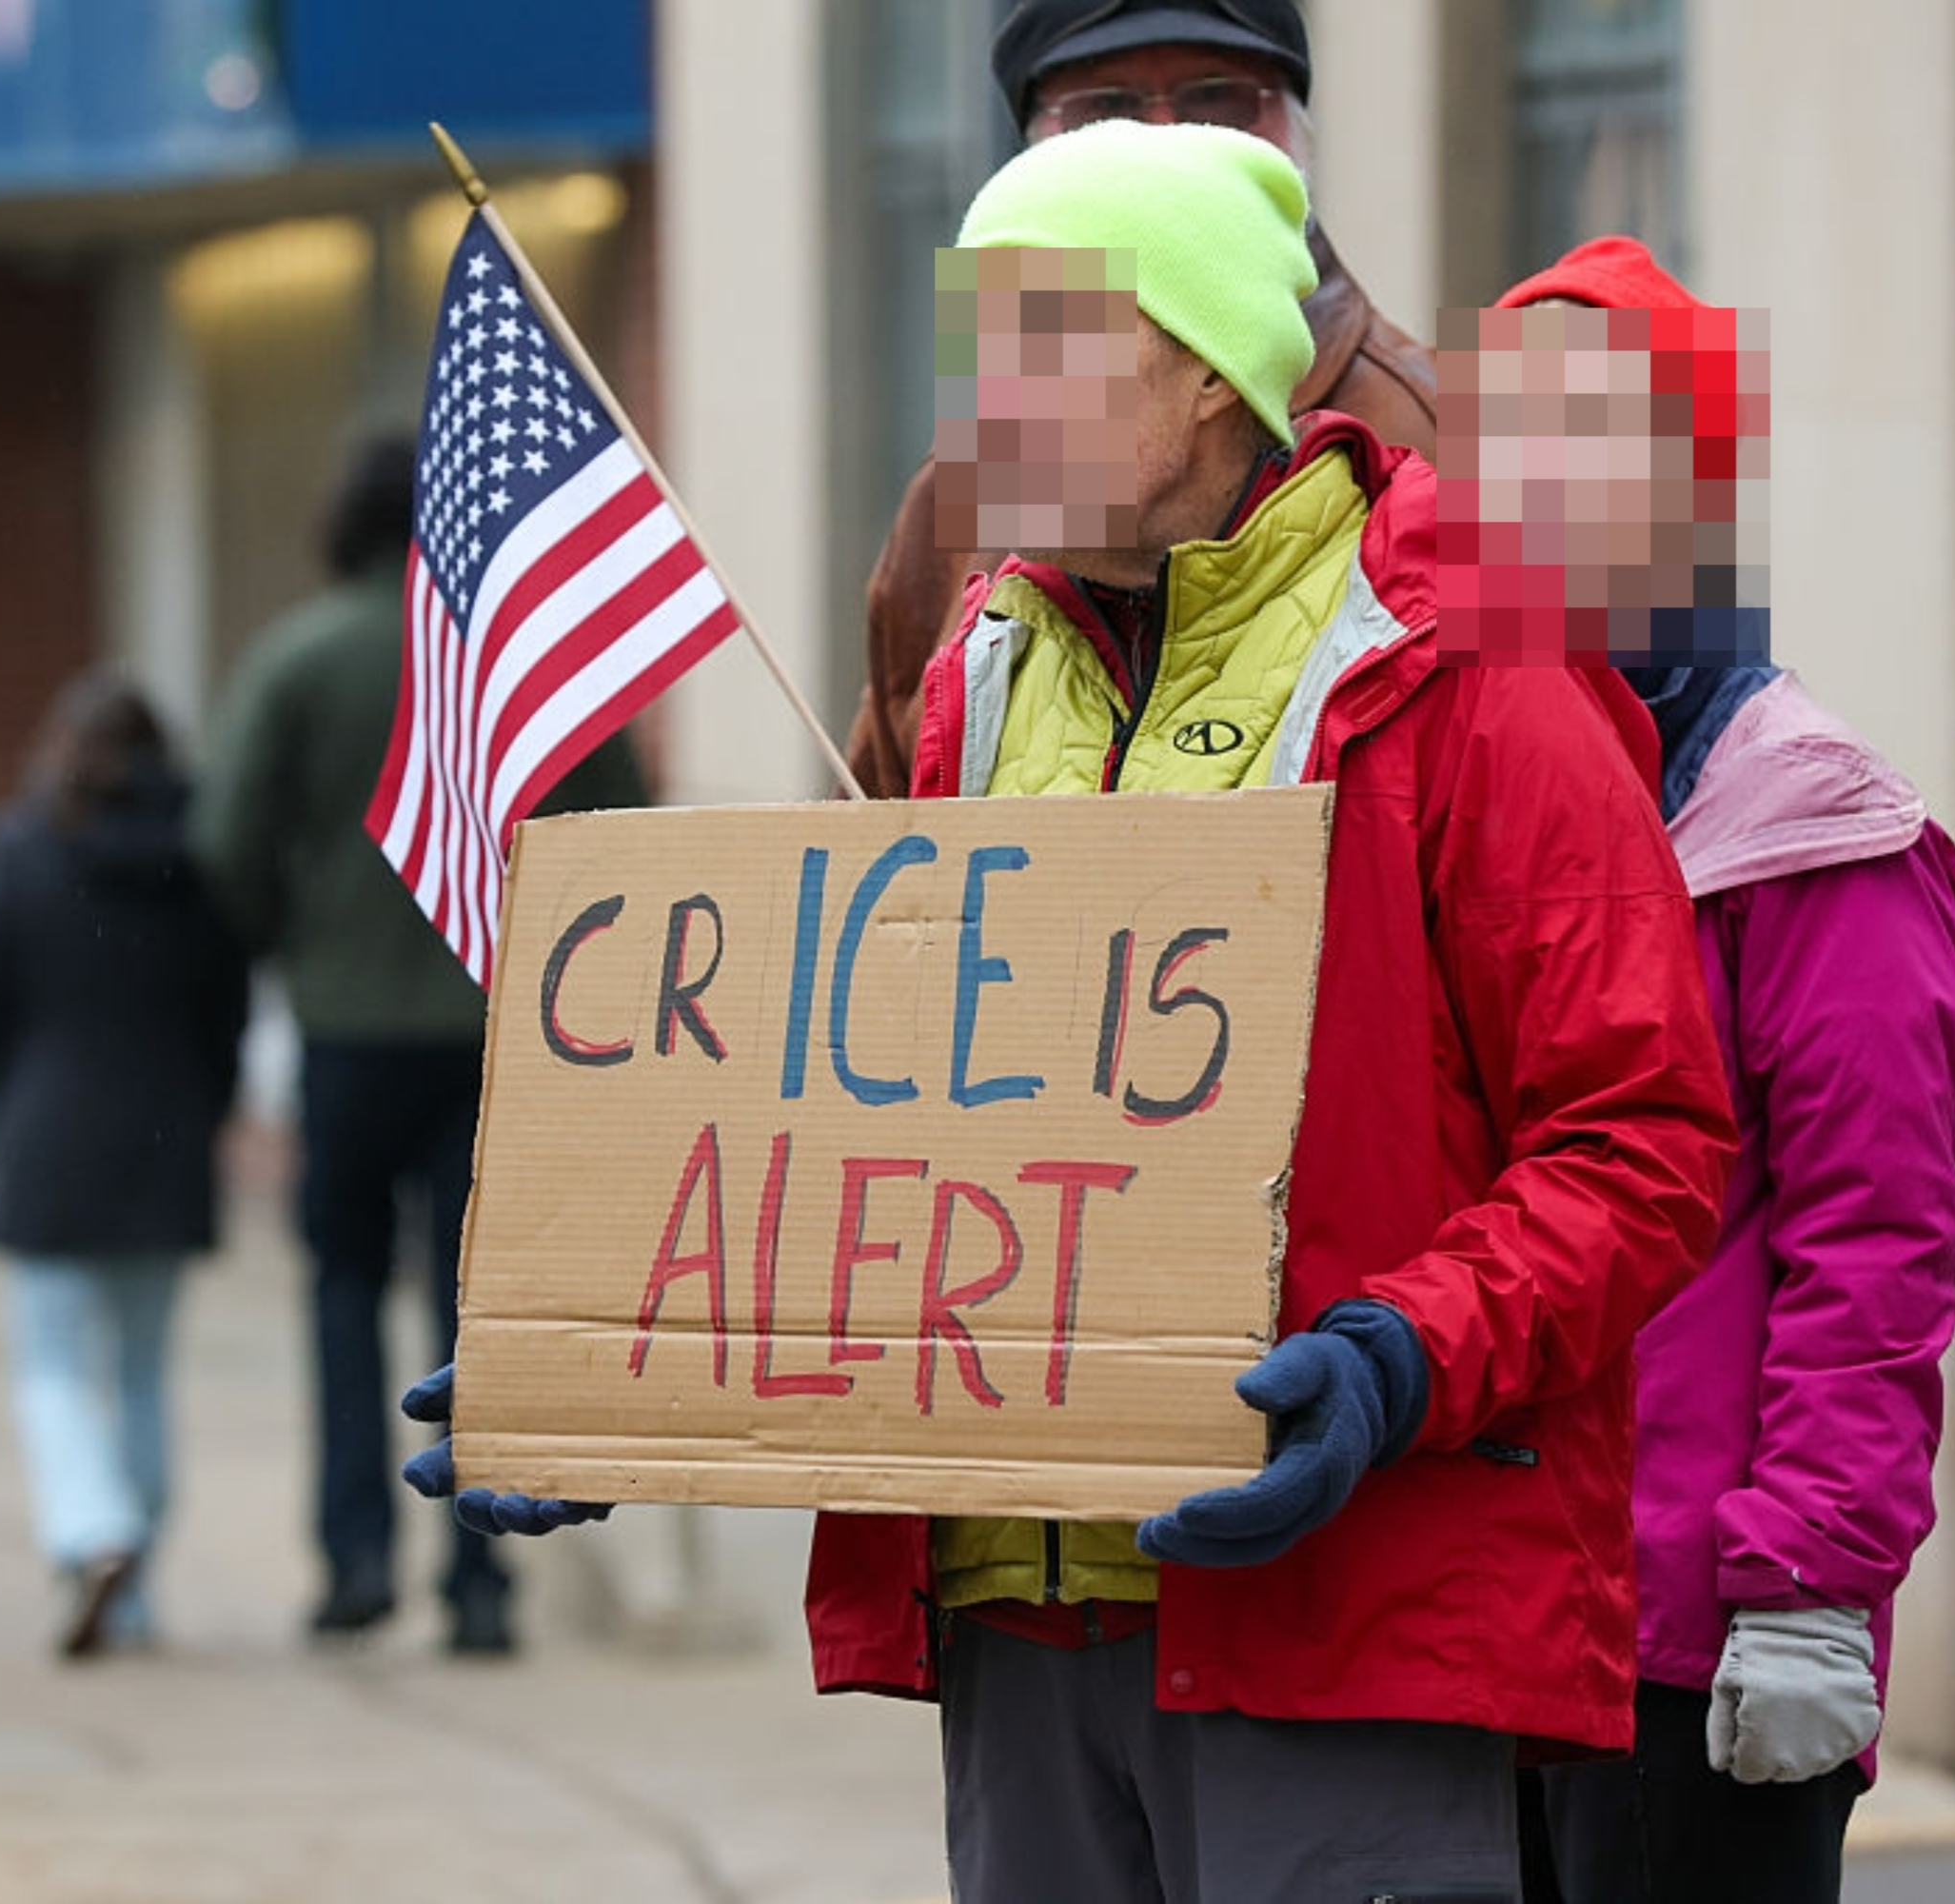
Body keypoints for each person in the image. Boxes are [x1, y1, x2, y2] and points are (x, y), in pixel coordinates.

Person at [407, 123, 1737, 1901]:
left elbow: (1643, 1139)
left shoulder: (1467, 661)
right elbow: (898, 1137)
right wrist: (619, 1364)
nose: (978, 401)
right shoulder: (980, 666)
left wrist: (1399, 1356)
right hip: (1017, 1633)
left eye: (1036, 335)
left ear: (1202, 370)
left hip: (1339, 1614)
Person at [1487, 239, 1955, 1904]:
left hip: (1696, 1641)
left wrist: (1806, 1588)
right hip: (1484, 1614)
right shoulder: (1474, 787)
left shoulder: (1824, 841)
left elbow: (1872, 1245)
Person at [193, 434, 653, 1657]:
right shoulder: (533, 656)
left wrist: (291, 937)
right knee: (480, 1312)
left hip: (345, 1029)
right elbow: (631, 829)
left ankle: (354, 1559)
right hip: (503, 1035)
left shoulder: (299, 658)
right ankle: (482, 1580)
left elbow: (227, 847)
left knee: (341, 1286)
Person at [843, 0, 1439, 800]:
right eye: (1104, 110)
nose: (1164, 136)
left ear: (1296, 133)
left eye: (1216, 100)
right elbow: (884, 851)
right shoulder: (954, 487)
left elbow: (1619, 843)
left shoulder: (1478, 432)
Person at [0, 676, 248, 1660]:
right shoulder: (202, 858)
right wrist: (207, 1113)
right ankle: (131, 1591)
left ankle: (94, 1534)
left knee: (49, 1367)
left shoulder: (20, 848)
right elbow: (227, 1012)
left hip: (48, 1135)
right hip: (165, 1139)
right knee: (140, 1374)